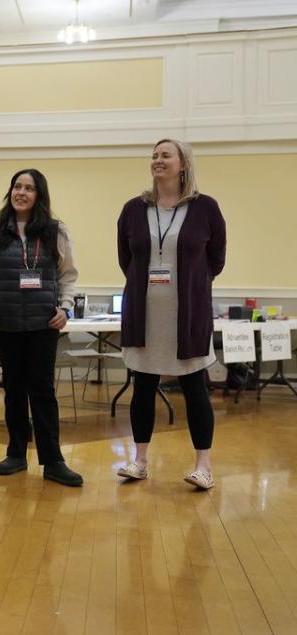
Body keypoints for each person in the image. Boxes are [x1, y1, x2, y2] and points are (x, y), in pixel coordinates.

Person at [116, 139, 226, 489]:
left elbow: (216, 259)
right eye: (154, 155)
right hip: (144, 314)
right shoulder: (134, 209)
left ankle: (203, 466)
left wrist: (192, 284)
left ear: (184, 164)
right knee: (143, 387)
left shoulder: (206, 207)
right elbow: (126, 258)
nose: (157, 160)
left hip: (188, 315)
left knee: (195, 389)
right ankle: (140, 461)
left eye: (165, 155)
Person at [0, 169, 83, 487]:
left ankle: (53, 461)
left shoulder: (54, 231)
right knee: (14, 391)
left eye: (29, 188)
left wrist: (65, 308)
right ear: (11, 192)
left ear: (39, 195)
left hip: (43, 324)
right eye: (17, 186)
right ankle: (16, 454)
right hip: (5, 325)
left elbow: (68, 275)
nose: (21, 192)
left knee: (43, 392)